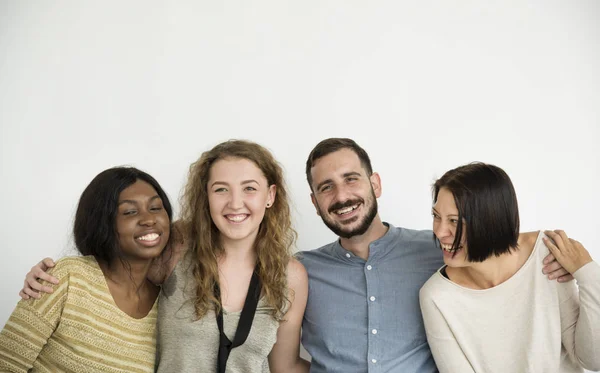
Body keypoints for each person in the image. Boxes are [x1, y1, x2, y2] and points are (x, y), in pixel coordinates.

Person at [16, 140, 309, 373]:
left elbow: (285, 367)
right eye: (221, 189)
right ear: (205, 196)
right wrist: (52, 274)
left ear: (270, 195)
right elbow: (114, 270)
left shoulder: (291, 276)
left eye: (250, 189)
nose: (235, 203)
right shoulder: (178, 243)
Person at [298, 138, 574, 373]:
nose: (342, 195)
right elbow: (284, 365)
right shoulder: (300, 271)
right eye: (326, 187)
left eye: (351, 179)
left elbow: (495, 242)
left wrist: (552, 253)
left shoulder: (442, 250)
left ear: (375, 184)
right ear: (315, 202)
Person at [419, 162, 600, 373]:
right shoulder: (436, 296)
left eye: (455, 221)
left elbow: (593, 360)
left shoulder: (547, 255)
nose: (440, 232)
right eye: (436, 216)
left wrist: (587, 272)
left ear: (490, 221)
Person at [0, 166, 173, 373]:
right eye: (129, 212)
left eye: (155, 208)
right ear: (102, 222)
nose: (149, 219)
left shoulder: (167, 306)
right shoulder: (67, 278)